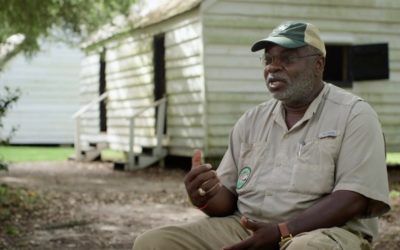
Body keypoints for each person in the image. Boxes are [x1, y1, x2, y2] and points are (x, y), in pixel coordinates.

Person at [132, 21, 390, 250]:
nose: (273, 67)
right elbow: (227, 199)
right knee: (153, 243)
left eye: (287, 59)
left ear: (318, 64)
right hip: (248, 228)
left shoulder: (354, 115)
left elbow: (353, 199)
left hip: (323, 233)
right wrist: (203, 196)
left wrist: (281, 232)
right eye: (268, 59)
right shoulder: (251, 121)